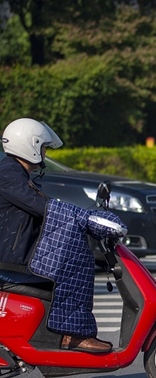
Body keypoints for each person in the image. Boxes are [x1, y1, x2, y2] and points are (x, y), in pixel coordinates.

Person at [0, 118, 112, 352]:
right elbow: (42, 207)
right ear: (31, 145)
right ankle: (74, 335)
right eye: (42, 147)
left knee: (70, 258)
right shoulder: (9, 174)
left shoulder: (14, 172)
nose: (43, 152)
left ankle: (56, 334)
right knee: (75, 268)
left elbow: (44, 206)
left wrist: (80, 216)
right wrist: (85, 218)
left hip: (15, 256)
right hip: (10, 264)